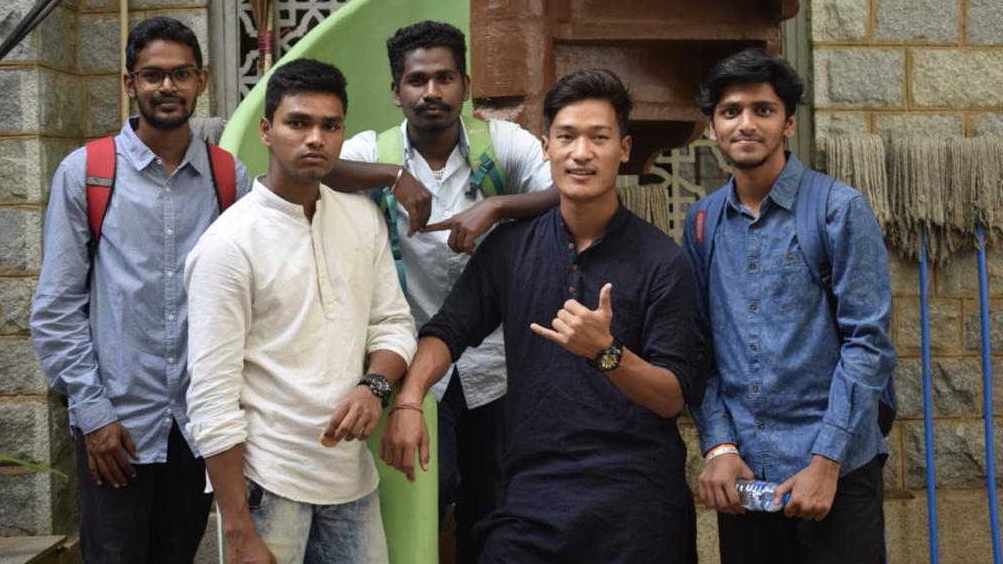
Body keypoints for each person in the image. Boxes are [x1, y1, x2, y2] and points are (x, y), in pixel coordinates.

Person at [380, 68, 697, 563]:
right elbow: (448, 331)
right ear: (546, 147)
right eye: (567, 137)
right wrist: (409, 399)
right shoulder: (510, 247)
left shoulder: (662, 261)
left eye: (599, 138)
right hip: (534, 495)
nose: (581, 152)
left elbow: (672, 396)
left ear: (624, 149)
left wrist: (607, 353)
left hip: (636, 500)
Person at [324, 20, 556, 562]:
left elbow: (564, 190)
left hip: (495, 363)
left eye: (445, 78)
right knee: (430, 486)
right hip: (412, 363)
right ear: (396, 91)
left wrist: (496, 205)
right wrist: (390, 176)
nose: (432, 92)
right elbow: (317, 166)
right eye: (418, 80)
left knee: (495, 502)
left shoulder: (500, 144)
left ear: (466, 85)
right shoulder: (375, 148)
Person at [30, 16, 251, 563]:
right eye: (153, 75)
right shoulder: (88, 172)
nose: (167, 87)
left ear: (201, 81)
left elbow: (248, 302)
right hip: (117, 428)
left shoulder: (230, 178)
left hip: (197, 426)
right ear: (130, 83)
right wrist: (94, 414)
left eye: (181, 74)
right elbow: (57, 308)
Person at [183, 59, 417, 564]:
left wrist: (374, 386)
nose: (316, 138)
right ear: (267, 131)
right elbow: (211, 399)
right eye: (298, 123)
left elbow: (394, 325)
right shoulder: (228, 245)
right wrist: (238, 531)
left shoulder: (362, 219)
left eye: (330, 126)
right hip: (267, 486)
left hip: (353, 483)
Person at [685, 48, 896, 563]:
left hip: (836, 470)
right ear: (712, 127)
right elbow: (697, 346)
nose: (746, 124)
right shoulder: (702, 223)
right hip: (746, 474)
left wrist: (827, 460)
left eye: (763, 110)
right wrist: (719, 447)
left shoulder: (838, 210)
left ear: (788, 123)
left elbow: (868, 345)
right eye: (730, 111)